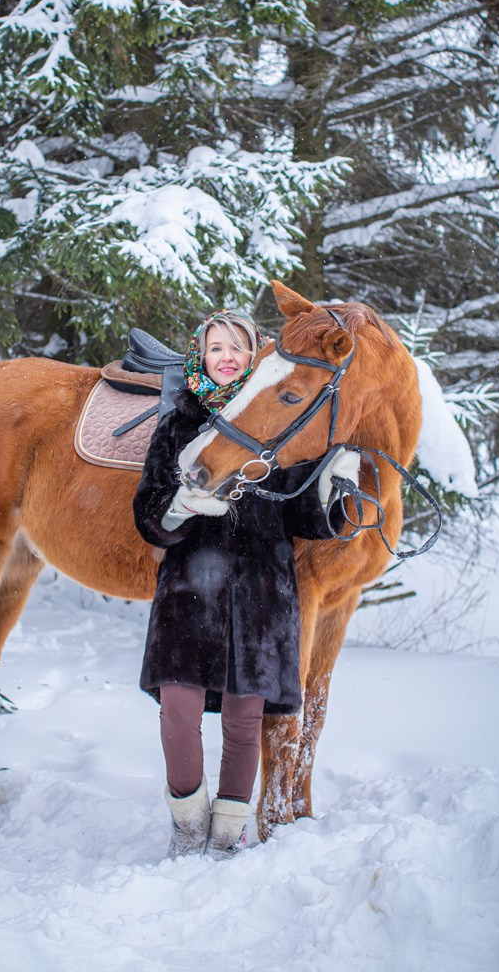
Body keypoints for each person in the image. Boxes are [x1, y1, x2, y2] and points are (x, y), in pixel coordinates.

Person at [133, 308, 358, 860]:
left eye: (237, 346)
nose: (227, 356)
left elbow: (305, 520)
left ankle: (228, 830)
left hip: (261, 598)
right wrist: (180, 507)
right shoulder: (179, 425)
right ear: (201, 357)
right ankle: (187, 821)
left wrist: (336, 493)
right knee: (178, 714)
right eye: (215, 348)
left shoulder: (280, 421)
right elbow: (146, 515)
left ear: (254, 354)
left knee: (244, 720)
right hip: (189, 596)